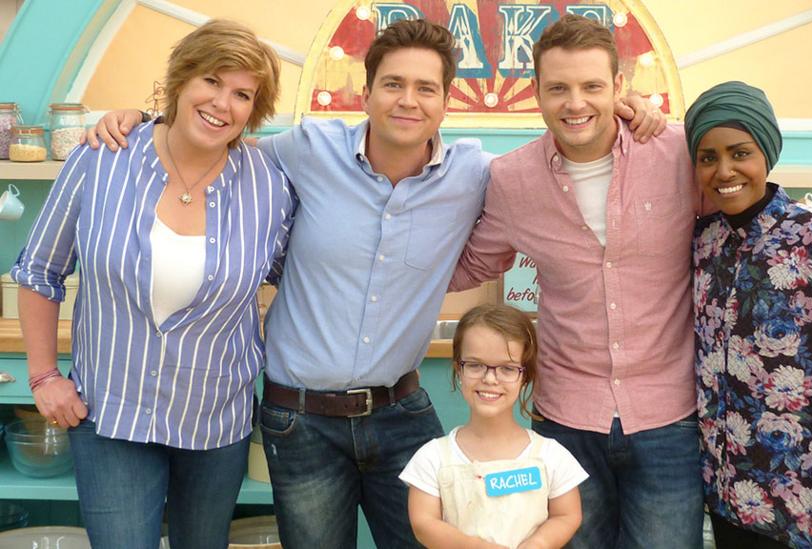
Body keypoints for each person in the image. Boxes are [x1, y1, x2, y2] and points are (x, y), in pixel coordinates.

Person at [83, 18, 663, 548]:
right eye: (393, 84)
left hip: (401, 411)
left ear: (446, 101)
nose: (407, 100)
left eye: (426, 88)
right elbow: (217, 132)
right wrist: (139, 119)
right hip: (299, 418)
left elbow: (552, 164)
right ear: (366, 93)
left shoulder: (476, 174)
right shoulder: (307, 150)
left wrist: (630, 109)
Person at [449, 15, 812, 548]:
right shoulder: (511, 179)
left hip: (671, 420)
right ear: (535, 92)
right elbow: (472, 264)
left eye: (591, 86)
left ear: (618, 88)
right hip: (566, 419)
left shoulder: (678, 153)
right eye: (558, 88)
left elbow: (753, 215)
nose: (575, 102)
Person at [16, 20, 292, 549]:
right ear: (181, 79)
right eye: (211, 81)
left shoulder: (269, 185)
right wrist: (44, 375)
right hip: (109, 412)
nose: (222, 103)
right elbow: (39, 270)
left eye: (242, 94)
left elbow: (297, 277)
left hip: (216, 419)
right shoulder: (101, 159)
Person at [684, 81, 812, 549]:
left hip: (809, 501)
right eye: (708, 157)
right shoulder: (701, 242)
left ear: (767, 155)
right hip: (730, 493)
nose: (724, 170)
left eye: (740, 153)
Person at [400, 304, 587, 549]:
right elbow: (424, 524)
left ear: (525, 376)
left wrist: (538, 544)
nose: (490, 379)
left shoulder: (551, 456)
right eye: (475, 365)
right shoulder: (433, 458)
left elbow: (567, 515)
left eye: (507, 368)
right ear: (459, 369)